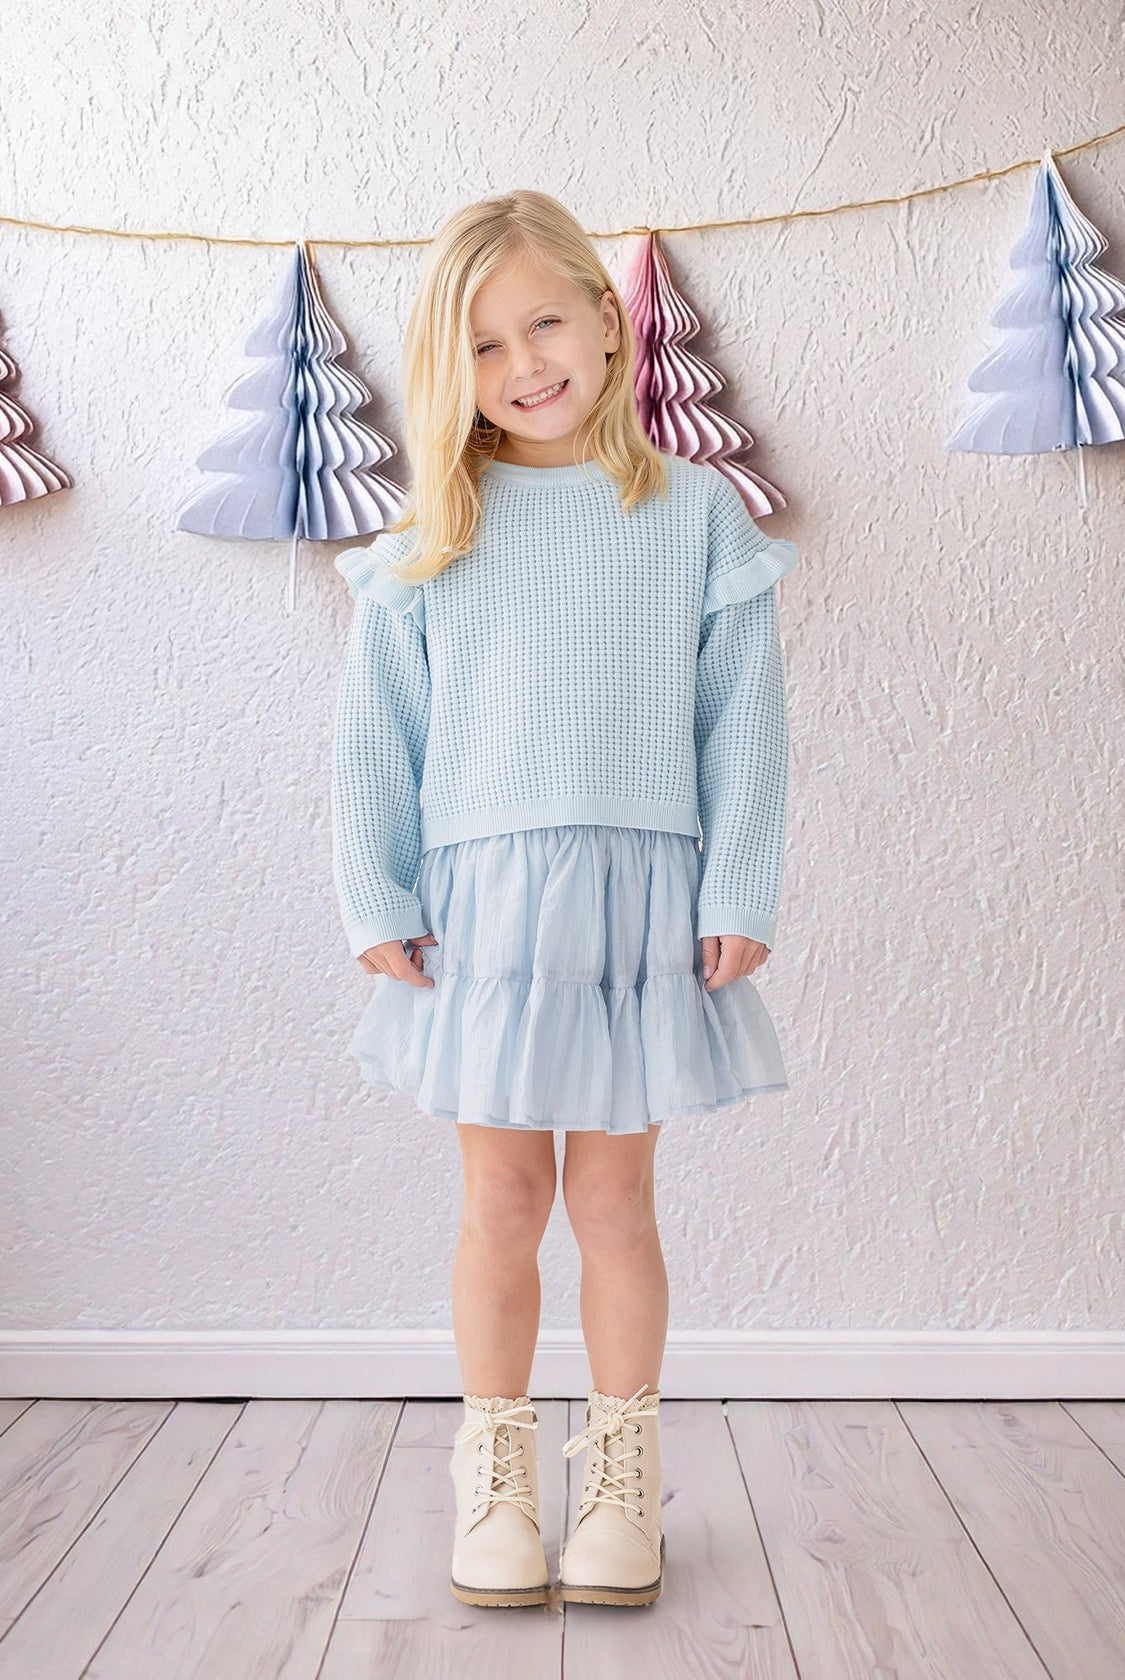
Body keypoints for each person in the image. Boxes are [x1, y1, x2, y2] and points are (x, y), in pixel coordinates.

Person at [330, 189, 798, 1611]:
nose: (523, 363)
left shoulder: (692, 513)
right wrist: (372, 892)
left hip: (639, 899)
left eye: (543, 322)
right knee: (502, 1194)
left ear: (607, 319)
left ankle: (621, 1476)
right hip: (484, 907)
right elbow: (376, 731)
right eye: (483, 345)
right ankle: (493, 1468)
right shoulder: (436, 529)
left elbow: (743, 720)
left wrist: (741, 880)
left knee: (612, 1198)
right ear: (449, 369)